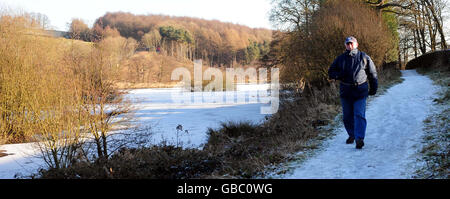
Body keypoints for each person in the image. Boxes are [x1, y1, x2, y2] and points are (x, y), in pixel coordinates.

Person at [328, 36, 378, 149]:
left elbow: (372, 73)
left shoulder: (364, 57)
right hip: (346, 92)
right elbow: (331, 71)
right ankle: (352, 134)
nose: (349, 45)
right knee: (347, 117)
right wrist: (338, 75)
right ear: (345, 45)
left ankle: (359, 138)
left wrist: (373, 88)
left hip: (360, 91)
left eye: (351, 43)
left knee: (359, 114)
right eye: (347, 44)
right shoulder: (340, 59)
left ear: (356, 44)